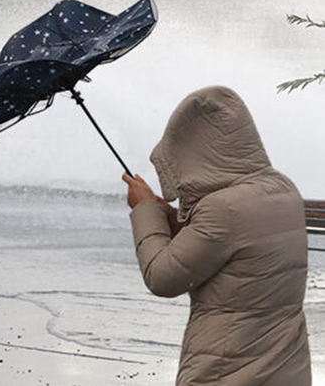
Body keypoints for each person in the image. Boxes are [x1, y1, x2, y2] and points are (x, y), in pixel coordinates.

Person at [122, 85, 311, 386]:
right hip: (285, 367)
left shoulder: (223, 208)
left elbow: (162, 277)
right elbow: (230, 247)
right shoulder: (281, 188)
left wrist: (145, 209)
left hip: (227, 369)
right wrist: (167, 216)